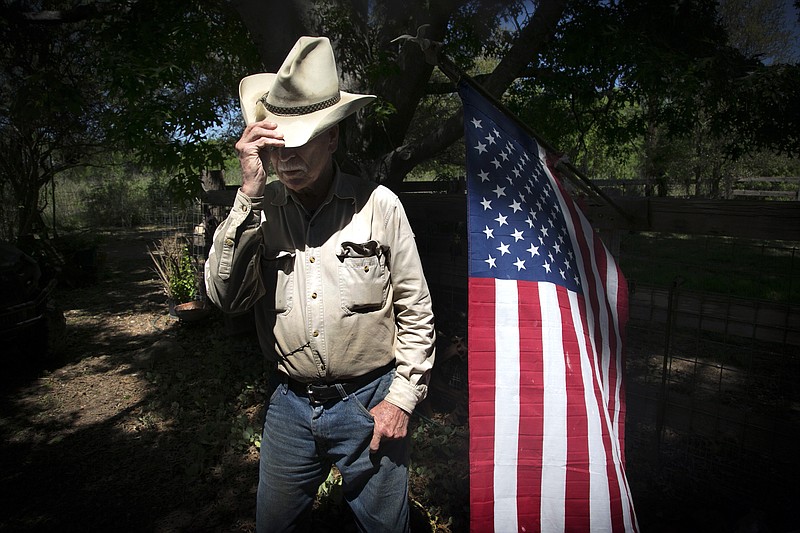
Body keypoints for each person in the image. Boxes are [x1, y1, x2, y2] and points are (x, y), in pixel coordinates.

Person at [204, 36, 436, 533]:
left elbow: (416, 307)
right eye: (274, 144)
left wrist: (402, 396)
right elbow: (225, 298)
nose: (284, 157)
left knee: (384, 528)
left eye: (300, 140)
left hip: (371, 400)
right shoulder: (259, 211)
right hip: (290, 404)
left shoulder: (379, 206)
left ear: (332, 137)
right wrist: (248, 192)